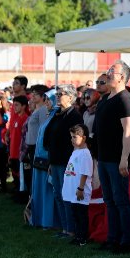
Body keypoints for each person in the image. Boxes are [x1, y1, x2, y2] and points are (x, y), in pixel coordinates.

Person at [95, 60, 130, 253]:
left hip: (116, 159)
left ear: (122, 77)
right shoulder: (105, 99)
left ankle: (126, 241)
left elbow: (129, 131)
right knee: (109, 200)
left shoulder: (124, 99)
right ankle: (112, 238)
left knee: (120, 200)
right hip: (103, 158)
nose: (109, 73)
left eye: (113, 71)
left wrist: (124, 158)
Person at [43, 84, 84, 236]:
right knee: (58, 194)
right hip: (55, 160)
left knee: (66, 195)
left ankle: (71, 229)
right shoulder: (57, 114)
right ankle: (64, 228)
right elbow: (48, 135)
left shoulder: (74, 116)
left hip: (67, 162)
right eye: (58, 93)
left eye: (62, 93)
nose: (58, 96)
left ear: (71, 97)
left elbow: (77, 141)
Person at [62, 124, 94, 246]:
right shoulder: (76, 152)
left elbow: (85, 173)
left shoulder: (85, 153)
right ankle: (78, 235)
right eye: (71, 137)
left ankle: (83, 238)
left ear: (84, 138)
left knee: (81, 215)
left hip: (80, 191)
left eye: (75, 137)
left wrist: (80, 188)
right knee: (75, 214)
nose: (72, 139)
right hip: (73, 191)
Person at [30, 89, 58, 228]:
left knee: (48, 191)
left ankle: (48, 220)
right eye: (45, 99)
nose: (46, 102)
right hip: (39, 159)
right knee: (39, 190)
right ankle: (39, 218)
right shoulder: (49, 116)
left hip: (47, 160)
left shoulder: (55, 118)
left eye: (49, 99)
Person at [8, 95, 29, 197]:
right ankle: (17, 191)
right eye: (13, 105)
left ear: (24, 106)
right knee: (15, 173)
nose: (14, 107)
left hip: (19, 152)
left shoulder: (25, 119)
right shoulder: (15, 118)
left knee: (21, 174)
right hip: (13, 152)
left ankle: (22, 194)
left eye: (17, 105)